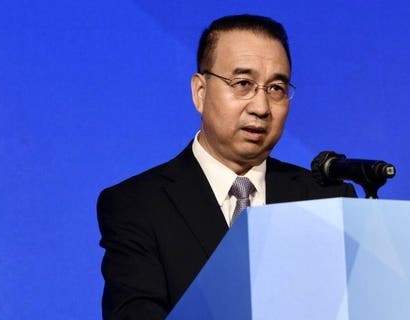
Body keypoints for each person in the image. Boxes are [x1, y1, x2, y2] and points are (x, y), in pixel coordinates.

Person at [96, 14, 356, 319]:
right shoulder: (137, 205)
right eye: (243, 83)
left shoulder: (325, 200)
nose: (261, 108)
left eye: (276, 89)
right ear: (200, 92)